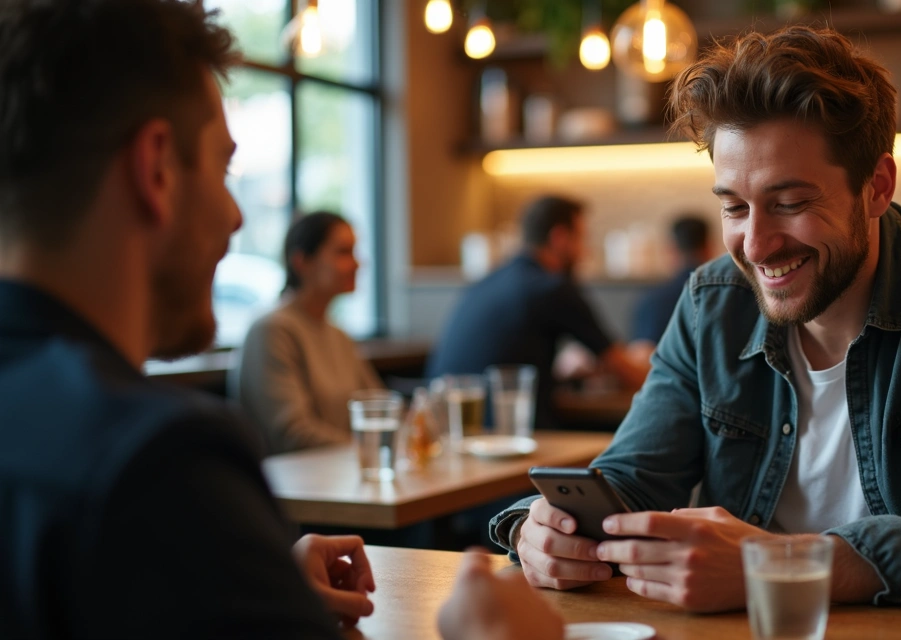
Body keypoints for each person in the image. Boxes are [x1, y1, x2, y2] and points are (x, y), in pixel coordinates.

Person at [489, 25, 901, 610]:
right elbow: (630, 478)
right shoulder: (712, 300)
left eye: (790, 204)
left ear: (877, 186)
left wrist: (777, 567)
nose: (755, 246)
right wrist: (539, 533)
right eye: (734, 207)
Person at [0, 1, 374, 636]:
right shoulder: (157, 466)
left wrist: (242, 569)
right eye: (224, 168)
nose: (235, 217)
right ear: (157, 168)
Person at [426, 195, 648, 431]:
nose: (586, 252)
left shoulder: (488, 281)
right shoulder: (552, 287)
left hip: (446, 430)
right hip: (508, 436)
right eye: (582, 239)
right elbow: (626, 371)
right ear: (560, 237)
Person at [232, 211, 382, 454]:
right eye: (344, 253)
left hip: (340, 479)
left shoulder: (338, 335)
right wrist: (371, 450)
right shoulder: (272, 331)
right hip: (295, 487)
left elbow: (379, 405)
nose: (357, 264)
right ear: (301, 262)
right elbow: (292, 434)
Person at [630, 215, 714, 349]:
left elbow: (643, 355)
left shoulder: (652, 302)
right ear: (709, 247)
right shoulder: (728, 297)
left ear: (671, 250)